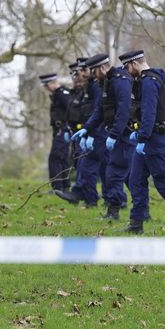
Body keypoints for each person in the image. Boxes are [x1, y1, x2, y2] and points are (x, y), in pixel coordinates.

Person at [120, 50, 165, 236]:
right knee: (135, 180)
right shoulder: (144, 80)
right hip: (146, 137)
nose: (127, 71)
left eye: (127, 67)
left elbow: (149, 113)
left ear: (135, 64)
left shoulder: (149, 82)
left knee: (163, 182)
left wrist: (142, 138)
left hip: (155, 138)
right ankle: (136, 222)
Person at [70, 53, 133, 220]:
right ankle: (115, 211)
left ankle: (132, 212)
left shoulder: (120, 81)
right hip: (114, 134)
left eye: (93, 70)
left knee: (120, 174)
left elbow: (123, 111)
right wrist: (86, 129)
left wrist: (113, 135)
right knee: (113, 173)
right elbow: (99, 111)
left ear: (103, 67)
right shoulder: (105, 82)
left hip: (123, 135)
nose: (91, 74)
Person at [63, 55, 106, 207]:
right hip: (91, 130)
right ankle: (91, 198)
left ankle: (88, 196)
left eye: (82, 70)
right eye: (78, 71)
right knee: (89, 165)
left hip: (100, 131)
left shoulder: (96, 85)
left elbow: (97, 110)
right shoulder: (89, 86)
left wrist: (91, 132)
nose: (79, 74)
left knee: (89, 165)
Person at [39, 73, 72, 196]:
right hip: (59, 130)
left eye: (47, 86)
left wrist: (67, 128)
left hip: (62, 130)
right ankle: (64, 186)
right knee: (62, 158)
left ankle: (57, 187)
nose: (46, 89)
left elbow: (71, 109)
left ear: (52, 83)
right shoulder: (57, 94)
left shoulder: (62, 94)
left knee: (55, 158)